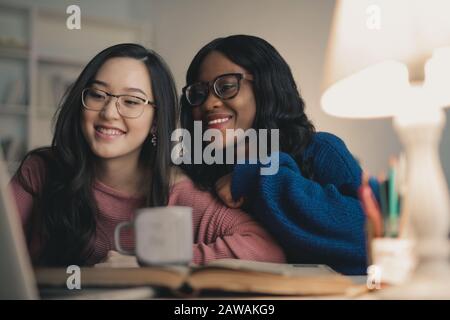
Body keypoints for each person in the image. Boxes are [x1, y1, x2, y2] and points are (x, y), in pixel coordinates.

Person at [9, 43, 285, 267]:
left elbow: (266, 250)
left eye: (131, 101)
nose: (108, 113)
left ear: (156, 120)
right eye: (97, 95)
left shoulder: (178, 193)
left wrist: (153, 261)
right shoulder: (42, 170)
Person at [180, 35, 367, 275]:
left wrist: (261, 175)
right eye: (199, 93)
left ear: (266, 86)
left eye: (226, 87)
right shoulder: (196, 171)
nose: (208, 104)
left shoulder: (321, 150)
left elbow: (366, 237)